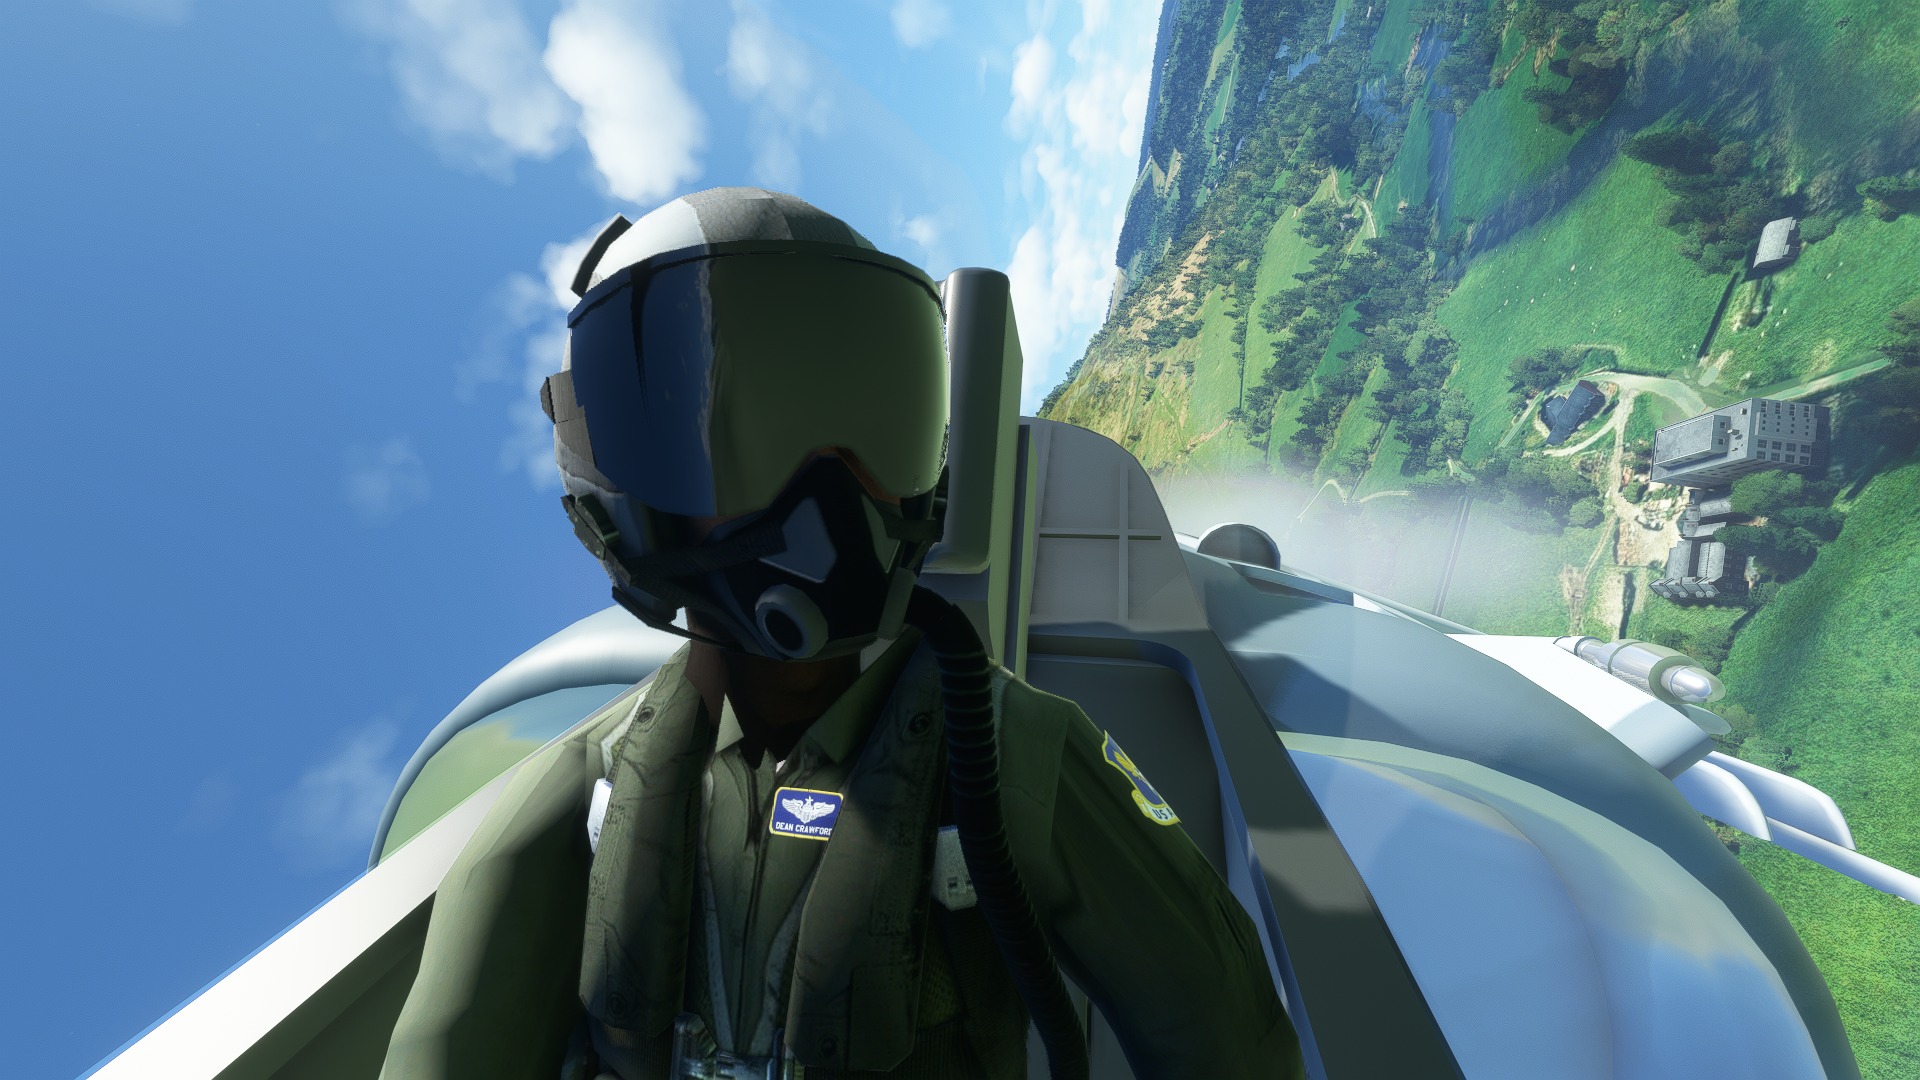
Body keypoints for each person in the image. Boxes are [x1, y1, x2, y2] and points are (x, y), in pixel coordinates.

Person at [379, 187, 1302, 1080]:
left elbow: (1230, 1038)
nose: (834, 495)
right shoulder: (588, 795)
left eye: (870, 422)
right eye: (746, 436)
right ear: (626, 500)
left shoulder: (1009, 754)